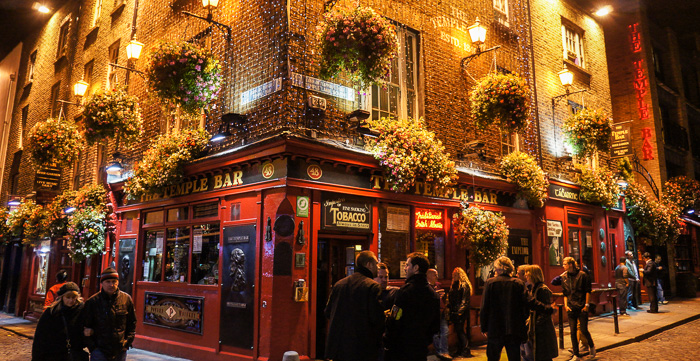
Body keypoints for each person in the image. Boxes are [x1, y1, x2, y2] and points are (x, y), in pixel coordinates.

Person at [480, 257, 552, 361]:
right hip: (513, 329)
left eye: (496, 269)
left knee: (493, 357)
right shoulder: (518, 283)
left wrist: (484, 327)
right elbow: (530, 301)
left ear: (500, 269)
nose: (495, 271)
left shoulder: (490, 283)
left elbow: (484, 307)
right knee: (514, 357)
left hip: (495, 328)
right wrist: (547, 308)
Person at [324, 250, 383, 361]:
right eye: (376, 263)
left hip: (338, 347)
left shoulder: (339, 284)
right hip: (361, 348)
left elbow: (328, 312)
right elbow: (376, 319)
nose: (378, 267)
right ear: (369, 265)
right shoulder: (372, 287)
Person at [384, 252, 440, 361]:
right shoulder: (434, 295)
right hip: (420, 348)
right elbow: (435, 325)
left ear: (416, 268)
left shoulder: (404, 292)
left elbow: (395, 318)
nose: (405, 268)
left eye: (407, 265)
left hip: (401, 349)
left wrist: (388, 339)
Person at [83, 268, 136, 361]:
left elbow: (132, 322)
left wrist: (126, 343)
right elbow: (86, 325)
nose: (111, 285)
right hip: (99, 350)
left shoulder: (126, 299)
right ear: (102, 283)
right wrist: (92, 347)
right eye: (108, 282)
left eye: (114, 281)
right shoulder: (92, 302)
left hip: (120, 349)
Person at [33, 282, 89, 361]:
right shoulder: (52, 312)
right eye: (68, 297)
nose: (71, 300)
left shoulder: (82, 310)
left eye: (74, 297)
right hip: (54, 354)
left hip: (75, 354)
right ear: (62, 297)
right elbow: (40, 337)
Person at [561, 257, 594, 361]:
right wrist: (566, 305)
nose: (563, 266)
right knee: (572, 331)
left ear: (571, 264)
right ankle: (576, 354)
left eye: (565, 264)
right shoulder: (564, 277)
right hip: (571, 307)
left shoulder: (583, 275)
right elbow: (565, 293)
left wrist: (586, 305)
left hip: (581, 306)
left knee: (584, 330)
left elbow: (587, 291)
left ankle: (592, 347)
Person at [525, 265, 558, 361]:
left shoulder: (542, 289)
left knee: (543, 355)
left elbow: (544, 310)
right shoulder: (534, 288)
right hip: (537, 328)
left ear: (533, 275)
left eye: (528, 275)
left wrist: (537, 325)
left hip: (542, 330)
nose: (526, 277)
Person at [448, 267, 473, 358]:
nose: (453, 277)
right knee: (458, 330)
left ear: (460, 275)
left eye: (455, 275)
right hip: (455, 311)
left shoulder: (463, 285)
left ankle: (466, 349)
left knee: (460, 330)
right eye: (453, 275)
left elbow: (465, 300)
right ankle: (461, 349)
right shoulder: (455, 285)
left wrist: (459, 312)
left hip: (460, 311)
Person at [428, 269, 452, 361]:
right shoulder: (427, 287)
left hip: (441, 311)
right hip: (433, 312)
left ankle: (444, 352)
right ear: (429, 276)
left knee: (445, 331)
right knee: (434, 333)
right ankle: (440, 352)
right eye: (435, 275)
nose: (437, 277)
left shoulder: (438, 285)